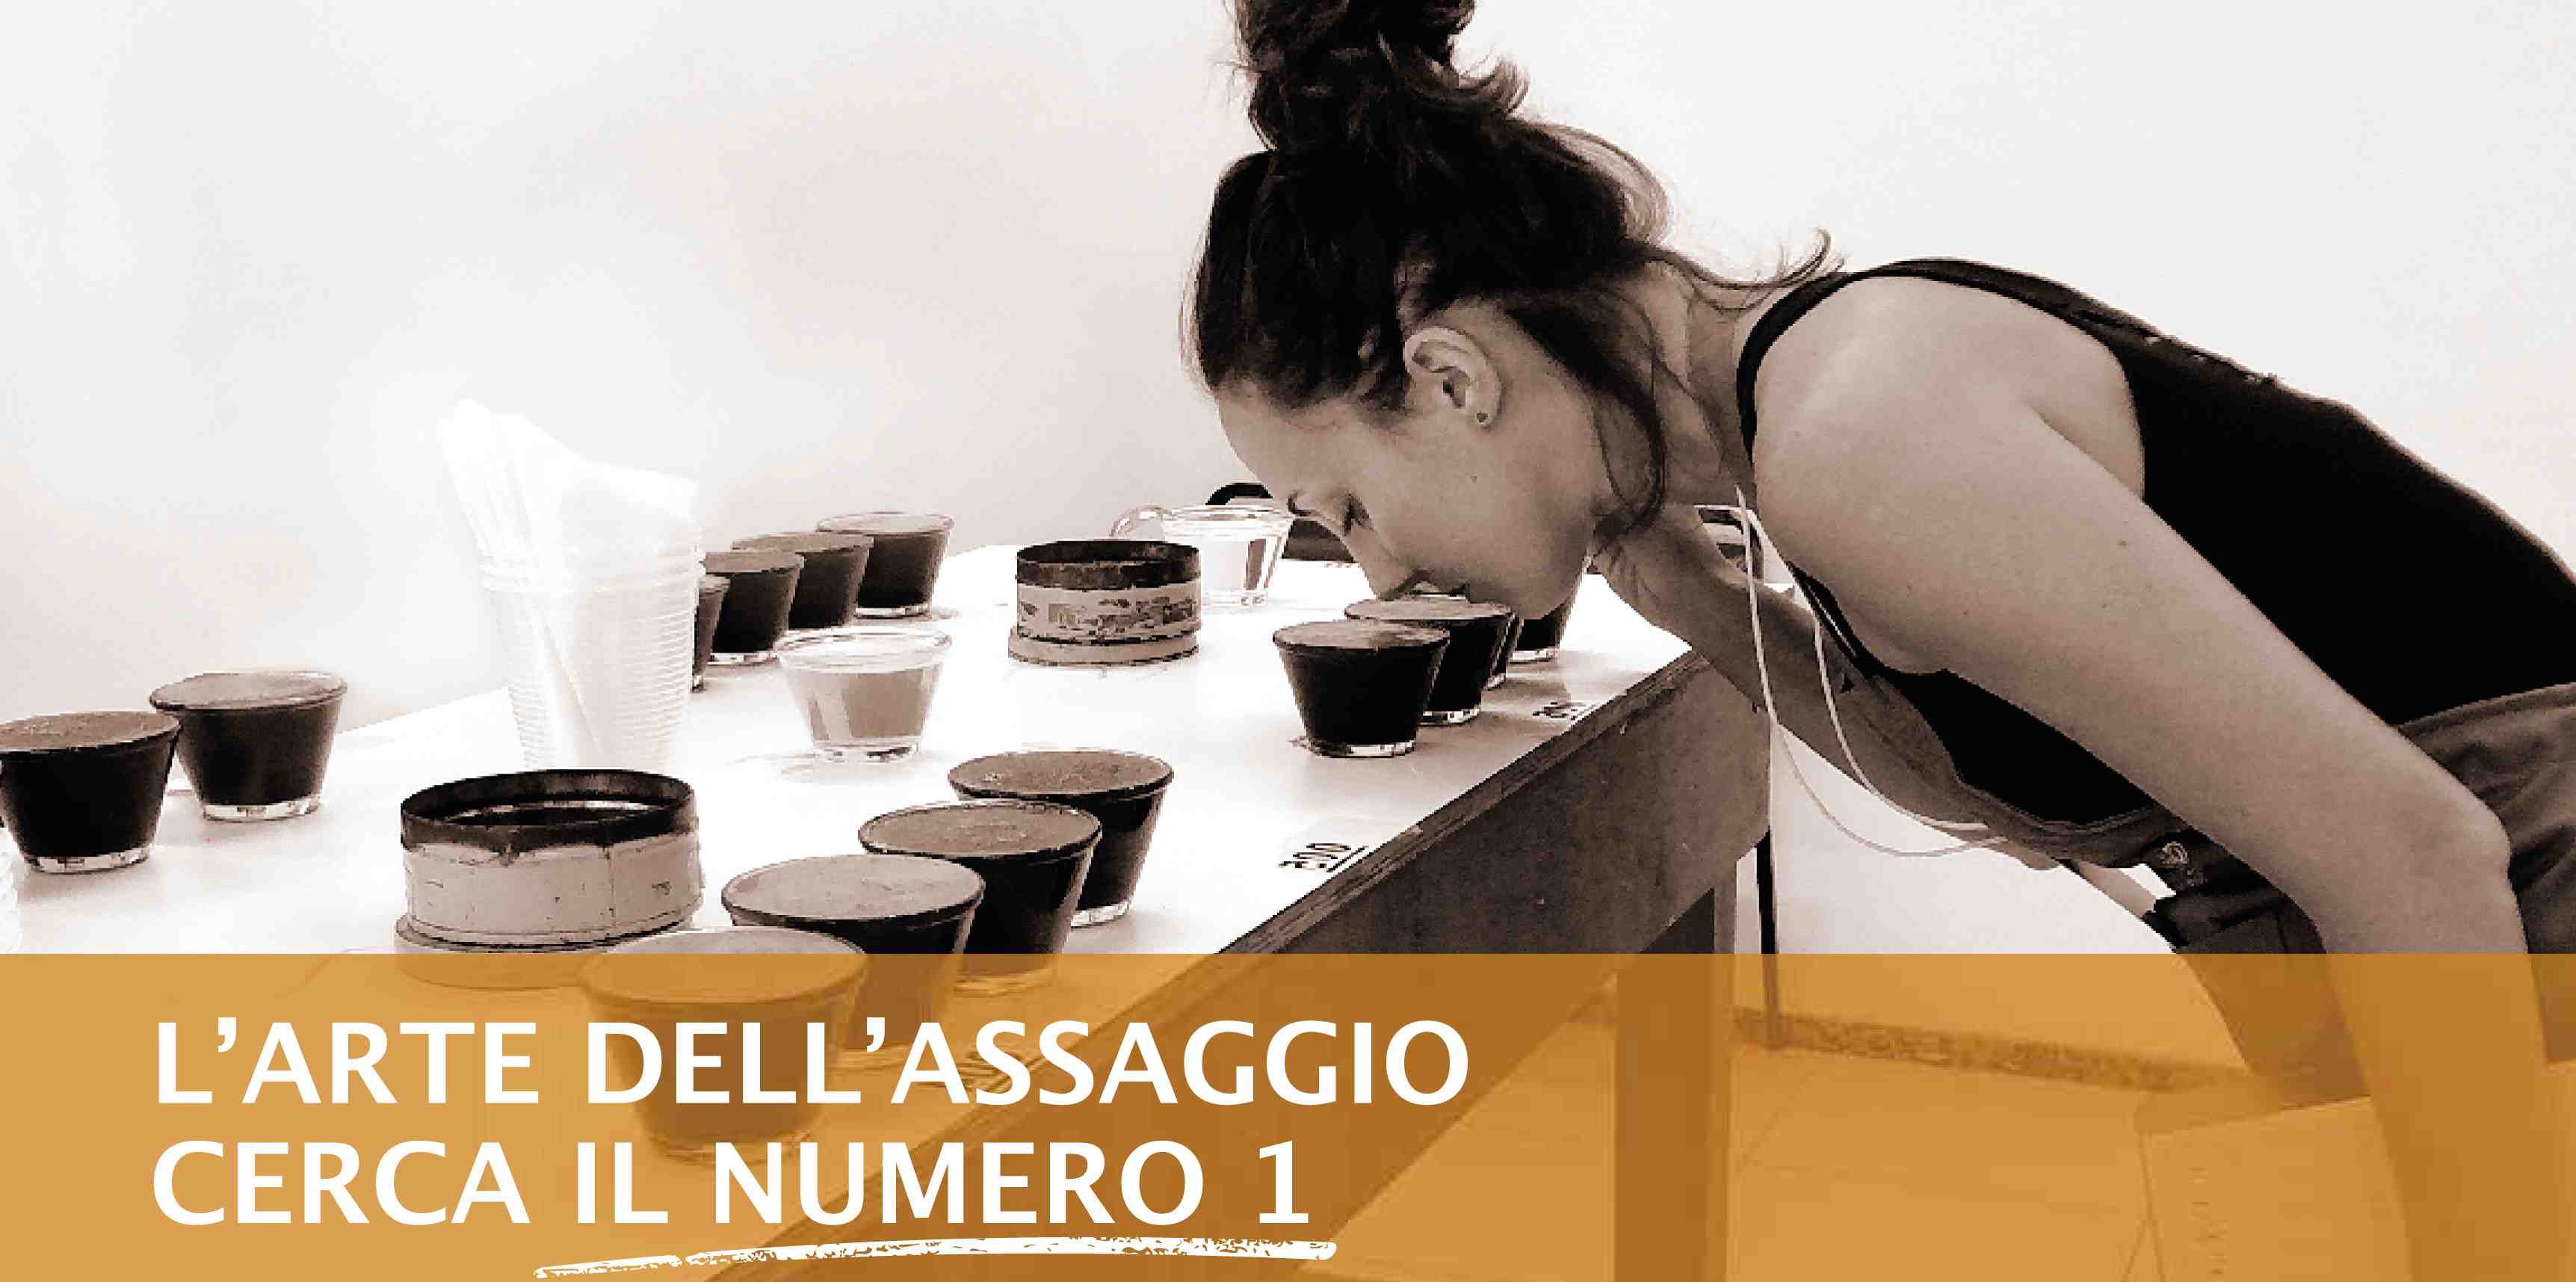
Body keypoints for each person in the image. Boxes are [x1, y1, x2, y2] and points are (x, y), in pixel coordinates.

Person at [1184, 2, 2576, 1277]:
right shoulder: (1796, 414)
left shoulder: (1861, 442)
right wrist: (1683, 589)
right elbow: (1982, 795)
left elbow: (2411, 853)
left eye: (1347, 508)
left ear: (1450, 379)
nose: (1379, 570)